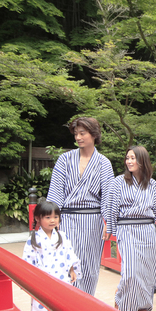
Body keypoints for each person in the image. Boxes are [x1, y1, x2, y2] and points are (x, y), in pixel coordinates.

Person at [46, 116, 114, 296]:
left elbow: (107, 195)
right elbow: (55, 191)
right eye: (76, 134)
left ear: (93, 134)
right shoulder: (64, 159)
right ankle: (66, 304)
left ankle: (86, 304)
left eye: (82, 133)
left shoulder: (103, 163)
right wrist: (53, 218)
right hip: (67, 219)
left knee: (90, 264)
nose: (78, 137)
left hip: (93, 221)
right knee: (66, 261)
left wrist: (108, 221)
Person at [107, 145, 156, 311]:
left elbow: (155, 208)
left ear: (142, 160)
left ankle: (143, 306)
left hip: (147, 229)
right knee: (131, 270)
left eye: (133, 158)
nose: (129, 161)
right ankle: (126, 305)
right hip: (127, 228)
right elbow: (112, 208)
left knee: (148, 270)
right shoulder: (118, 181)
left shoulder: (152, 183)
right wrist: (113, 232)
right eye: (127, 158)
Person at [22, 201, 81, 311]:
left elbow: (69, 253)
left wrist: (72, 269)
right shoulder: (34, 239)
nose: (52, 220)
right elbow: (28, 260)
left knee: (64, 304)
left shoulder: (62, 235)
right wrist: (29, 279)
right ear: (38, 218)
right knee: (41, 306)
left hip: (61, 275)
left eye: (55, 217)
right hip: (42, 277)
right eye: (47, 217)